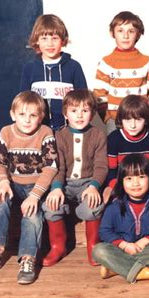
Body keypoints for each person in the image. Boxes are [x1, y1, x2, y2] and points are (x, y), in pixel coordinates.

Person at [0, 91, 58, 284]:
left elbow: (51, 168)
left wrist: (35, 196)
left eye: (33, 115)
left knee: (33, 214)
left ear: (41, 117)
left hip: (36, 186)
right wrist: (2, 182)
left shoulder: (45, 133)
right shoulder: (6, 132)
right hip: (13, 184)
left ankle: (28, 258)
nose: (27, 120)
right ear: (13, 114)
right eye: (22, 114)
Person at [42, 90, 107, 267]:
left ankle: (93, 246)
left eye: (85, 111)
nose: (79, 115)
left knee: (93, 205)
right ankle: (58, 246)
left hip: (88, 183)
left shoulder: (98, 135)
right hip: (65, 184)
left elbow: (101, 166)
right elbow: (59, 167)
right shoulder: (59, 136)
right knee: (51, 205)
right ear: (65, 113)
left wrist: (94, 186)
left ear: (92, 114)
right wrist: (56, 188)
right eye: (74, 111)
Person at [92, 154, 149, 283]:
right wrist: (124, 245)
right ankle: (148, 272)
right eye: (129, 178)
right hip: (122, 250)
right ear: (121, 181)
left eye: (141, 177)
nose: (135, 183)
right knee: (99, 250)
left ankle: (117, 268)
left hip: (147, 250)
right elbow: (104, 231)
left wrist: (147, 240)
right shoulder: (115, 204)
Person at [94, 11, 149, 133]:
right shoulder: (106, 63)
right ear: (112, 33)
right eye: (120, 31)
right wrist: (108, 118)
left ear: (138, 34)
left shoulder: (148, 62)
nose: (125, 36)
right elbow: (100, 96)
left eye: (131, 31)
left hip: (141, 120)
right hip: (115, 122)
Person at [20, 14, 87, 131]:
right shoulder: (29, 68)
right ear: (37, 41)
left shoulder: (74, 67)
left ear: (63, 40)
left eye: (54, 38)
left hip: (68, 130)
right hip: (38, 130)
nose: (49, 44)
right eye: (44, 38)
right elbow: (23, 103)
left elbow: (84, 100)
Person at [104, 94, 149, 200]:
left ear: (146, 120)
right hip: (122, 185)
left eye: (138, 120)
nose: (132, 125)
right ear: (121, 120)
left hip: (146, 185)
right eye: (127, 120)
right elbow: (112, 171)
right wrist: (111, 187)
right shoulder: (114, 138)